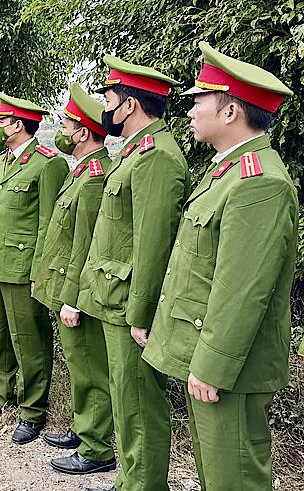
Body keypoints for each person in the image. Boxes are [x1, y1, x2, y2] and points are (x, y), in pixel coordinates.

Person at [143, 42, 296, 491]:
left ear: (230, 112)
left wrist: (212, 366)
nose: (190, 110)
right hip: (212, 359)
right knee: (216, 474)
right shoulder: (226, 172)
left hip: (231, 369)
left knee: (234, 479)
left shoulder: (259, 182)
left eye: (199, 100)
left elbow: (241, 290)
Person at [77, 56, 189, 491]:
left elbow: (152, 246)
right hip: (114, 297)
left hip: (129, 304)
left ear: (130, 105)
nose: (105, 109)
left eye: (109, 100)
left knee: (139, 404)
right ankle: (130, 479)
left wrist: (141, 313)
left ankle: (142, 484)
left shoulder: (156, 157)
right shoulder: (135, 152)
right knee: (126, 399)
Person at [0, 92, 68, 445]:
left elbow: (48, 226)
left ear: (17, 125)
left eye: (1, 121)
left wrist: (38, 272)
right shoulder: (0, 162)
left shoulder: (47, 164)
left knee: (29, 342)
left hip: (22, 268)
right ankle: (0, 397)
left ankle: (33, 411)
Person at [31, 85, 116, 474]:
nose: (61, 131)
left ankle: (96, 448)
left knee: (90, 368)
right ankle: (84, 431)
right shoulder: (82, 171)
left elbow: (86, 245)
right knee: (79, 365)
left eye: (66, 126)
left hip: (78, 292)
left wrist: (73, 298)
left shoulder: (95, 176)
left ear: (82, 133)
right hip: (67, 286)